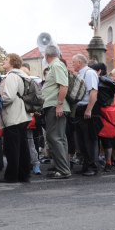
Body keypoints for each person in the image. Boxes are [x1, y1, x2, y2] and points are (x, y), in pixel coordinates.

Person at [0, 53, 33, 183]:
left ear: (12, 62)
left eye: (6, 59)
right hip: (23, 115)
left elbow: (9, 97)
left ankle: (11, 176)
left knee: (12, 148)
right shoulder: (22, 75)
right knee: (22, 147)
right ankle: (24, 174)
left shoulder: (12, 76)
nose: (4, 61)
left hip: (13, 115)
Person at [42, 45, 71, 179]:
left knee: (55, 138)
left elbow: (64, 86)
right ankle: (63, 168)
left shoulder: (57, 66)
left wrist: (59, 105)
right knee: (59, 138)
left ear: (46, 55)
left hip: (55, 106)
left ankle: (63, 170)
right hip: (55, 105)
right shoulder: (57, 65)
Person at [71, 54, 100, 176]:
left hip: (86, 108)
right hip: (80, 108)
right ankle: (86, 165)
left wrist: (89, 109)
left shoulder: (89, 73)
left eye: (73, 62)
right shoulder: (81, 73)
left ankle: (92, 167)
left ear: (79, 62)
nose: (72, 65)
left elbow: (93, 92)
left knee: (89, 139)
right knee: (82, 140)